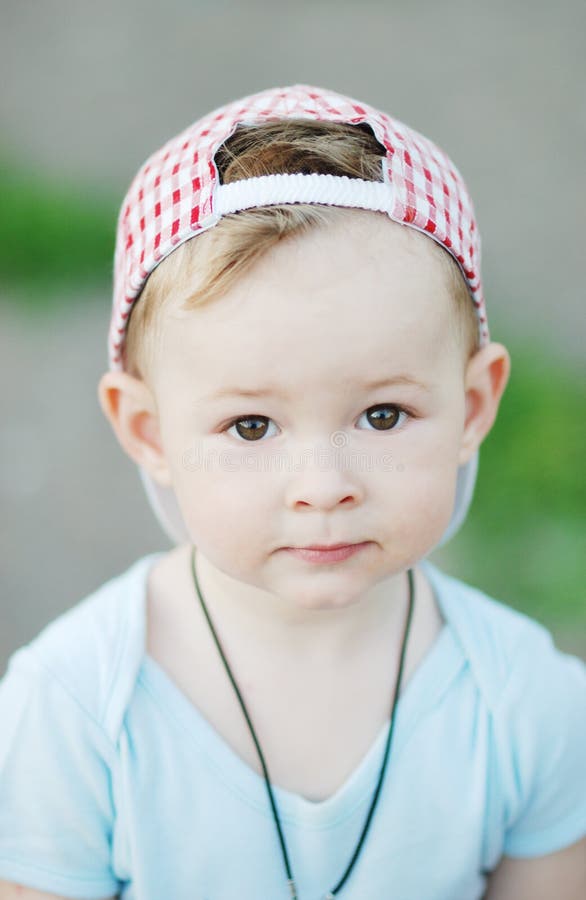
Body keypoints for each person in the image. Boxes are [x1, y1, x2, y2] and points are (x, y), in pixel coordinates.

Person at [0, 84, 584, 900]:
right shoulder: (73, 712)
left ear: (473, 406)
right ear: (148, 430)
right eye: (250, 426)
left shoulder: (530, 707)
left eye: (384, 414)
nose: (323, 487)